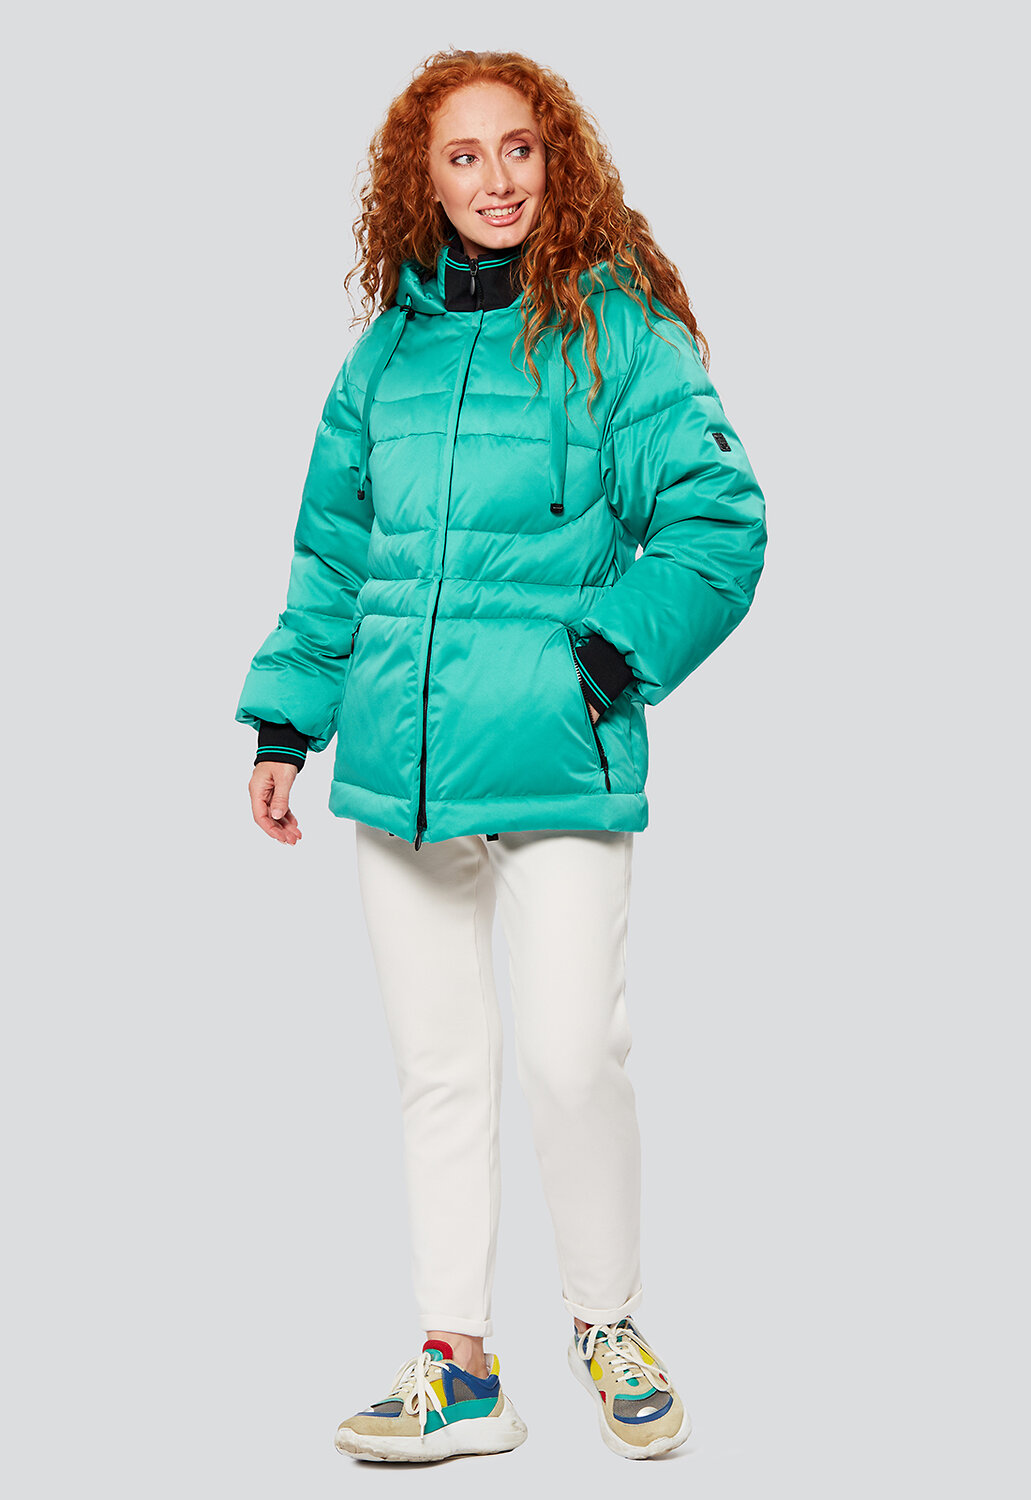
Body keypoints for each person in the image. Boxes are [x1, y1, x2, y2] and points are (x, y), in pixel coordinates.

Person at [235, 48, 767, 1464]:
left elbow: (720, 520)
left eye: (519, 148)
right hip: (400, 768)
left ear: (557, 159)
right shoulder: (385, 357)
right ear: (421, 178)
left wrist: (604, 660)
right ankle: (458, 1366)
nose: (496, 180)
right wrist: (290, 722)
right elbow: (334, 557)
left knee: (572, 1056)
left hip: (557, 764)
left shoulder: (614, 331)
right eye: (463, 155)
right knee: (440, 1070)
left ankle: (606, 1318)